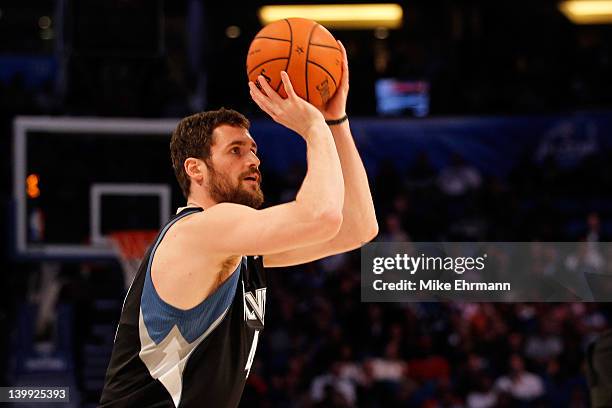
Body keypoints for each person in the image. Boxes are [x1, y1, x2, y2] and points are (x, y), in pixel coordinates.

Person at [99, 41, 378, 407]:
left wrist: (335, 121)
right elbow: (321, 216)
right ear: (195, 169)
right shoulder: (200, 231)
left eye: (254, 150)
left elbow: (359, 227)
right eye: (235, 150)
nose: (253, 160)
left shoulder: (237, 250)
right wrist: (313, 126)